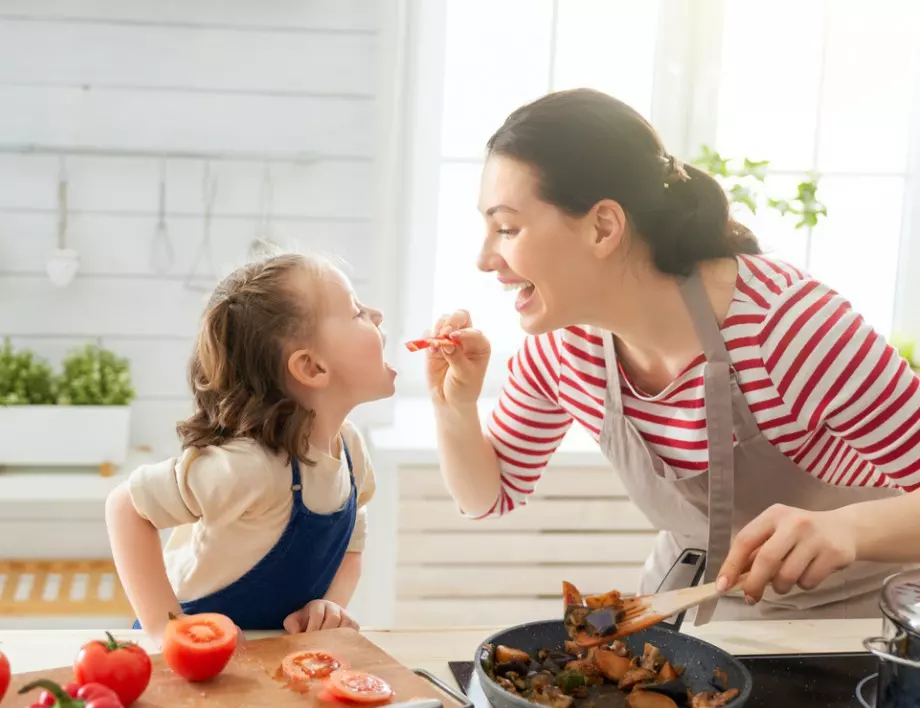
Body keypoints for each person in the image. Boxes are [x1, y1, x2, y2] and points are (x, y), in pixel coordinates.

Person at [423, 88, 920, 622]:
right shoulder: (564, 351)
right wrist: (455, 406)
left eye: (506, 228)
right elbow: (489, 496)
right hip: (697, 606)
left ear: (603, 227)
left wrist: (848, 528)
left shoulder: (789, 330)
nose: (483, 258)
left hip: (856, 619)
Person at [106, 253, 396, 642]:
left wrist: (330, 605)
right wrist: (165, 630)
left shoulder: (349, 449)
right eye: (357, 311)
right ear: (312, 368)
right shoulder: (253, 467)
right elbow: (126, 507)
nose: (377, 315)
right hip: (187, 659)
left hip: (269, 654)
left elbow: (352, 543)